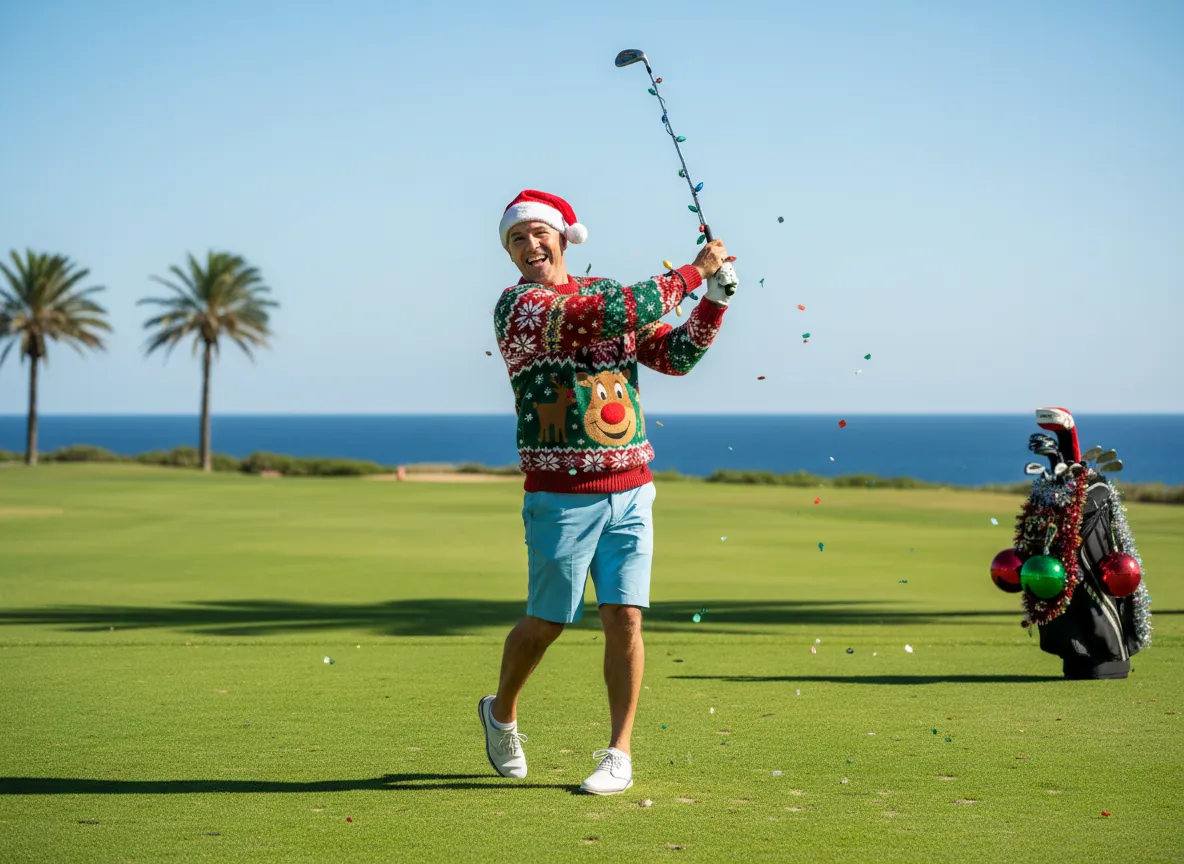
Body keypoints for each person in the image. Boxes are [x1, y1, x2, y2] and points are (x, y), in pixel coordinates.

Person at [478, 189, 734, 795]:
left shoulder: (607, 294)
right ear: (509, 253)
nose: (530, 245)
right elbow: (601, 315)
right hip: (562, 494)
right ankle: (501, 712)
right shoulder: (520, 308)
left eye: (539, 233)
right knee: (546, 622)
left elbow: (674, 356)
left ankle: (619, 752)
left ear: (564, 237)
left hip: (632, 487)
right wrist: (693, 273)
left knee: (625, 617)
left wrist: (715, 302)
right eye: (517, 238)